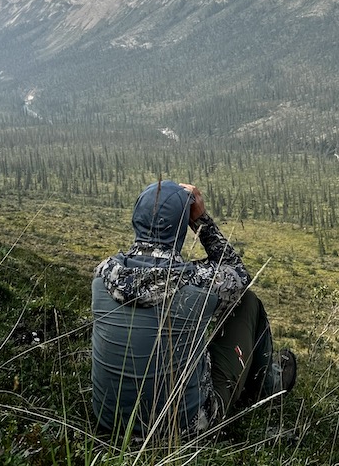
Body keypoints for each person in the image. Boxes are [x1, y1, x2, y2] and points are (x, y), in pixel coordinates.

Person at [91, 179, 296, 439]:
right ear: (181, 228)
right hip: (185, 429)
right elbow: (239, 274)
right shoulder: (196, 283)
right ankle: (268, 386)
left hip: (110, 422)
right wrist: (201, 220)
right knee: (248, 302)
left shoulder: (103, 276)